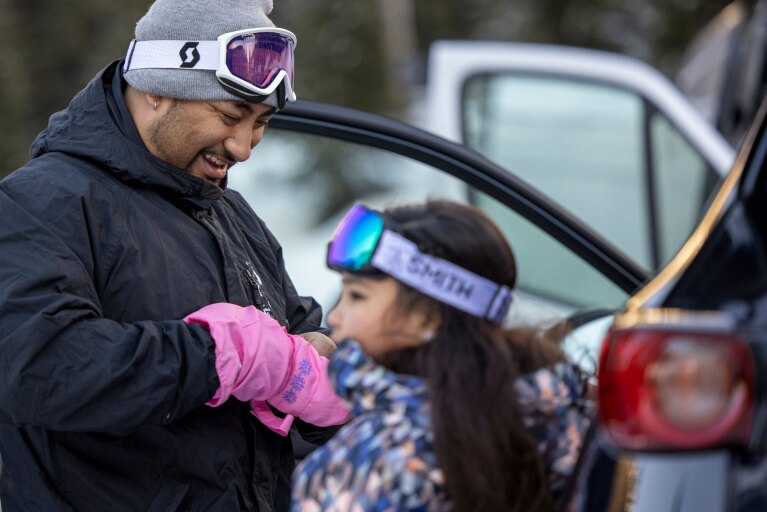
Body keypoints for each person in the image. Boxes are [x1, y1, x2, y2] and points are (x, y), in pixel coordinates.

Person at [0, 0, 349, 510]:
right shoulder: (41, 204)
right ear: (157, 89)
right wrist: (216, 355)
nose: (244, 146)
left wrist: (330, 373)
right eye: (231, 115)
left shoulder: (228, 212)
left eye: (261, 122)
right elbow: (38, 369)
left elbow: (294, 335)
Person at [291, 200, 594, 511]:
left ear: (426, 318)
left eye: (357, 295)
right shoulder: (554, 411)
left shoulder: (376, 463)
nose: (336, 315)